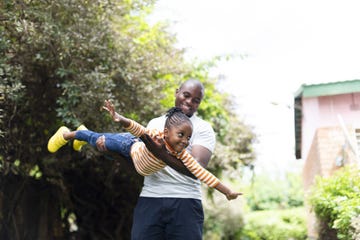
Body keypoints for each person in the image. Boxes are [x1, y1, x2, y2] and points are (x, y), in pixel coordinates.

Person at [99, 78, 227, 240]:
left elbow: (197, 169)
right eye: (186, 95)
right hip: (150, 198)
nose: (189, 102)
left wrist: (161, 153)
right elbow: (140, 165)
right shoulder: (155, 124)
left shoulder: (203, 128)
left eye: (196, 100)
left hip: (186, 202)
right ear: (177, 93)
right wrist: (113, 153)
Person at [47, 100, 241, 201]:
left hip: (134, 161)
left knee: (104, 150)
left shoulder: (182, 154)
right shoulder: (156, 135)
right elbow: (138, 129)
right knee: (100, 140)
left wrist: (227, 191)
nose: (184, 141)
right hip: (128, 145)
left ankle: (83, 135)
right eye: (180, 135)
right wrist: (119, 118)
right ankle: (70, 134)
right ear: (166, 132)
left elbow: (203, 174)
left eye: (188, 138)